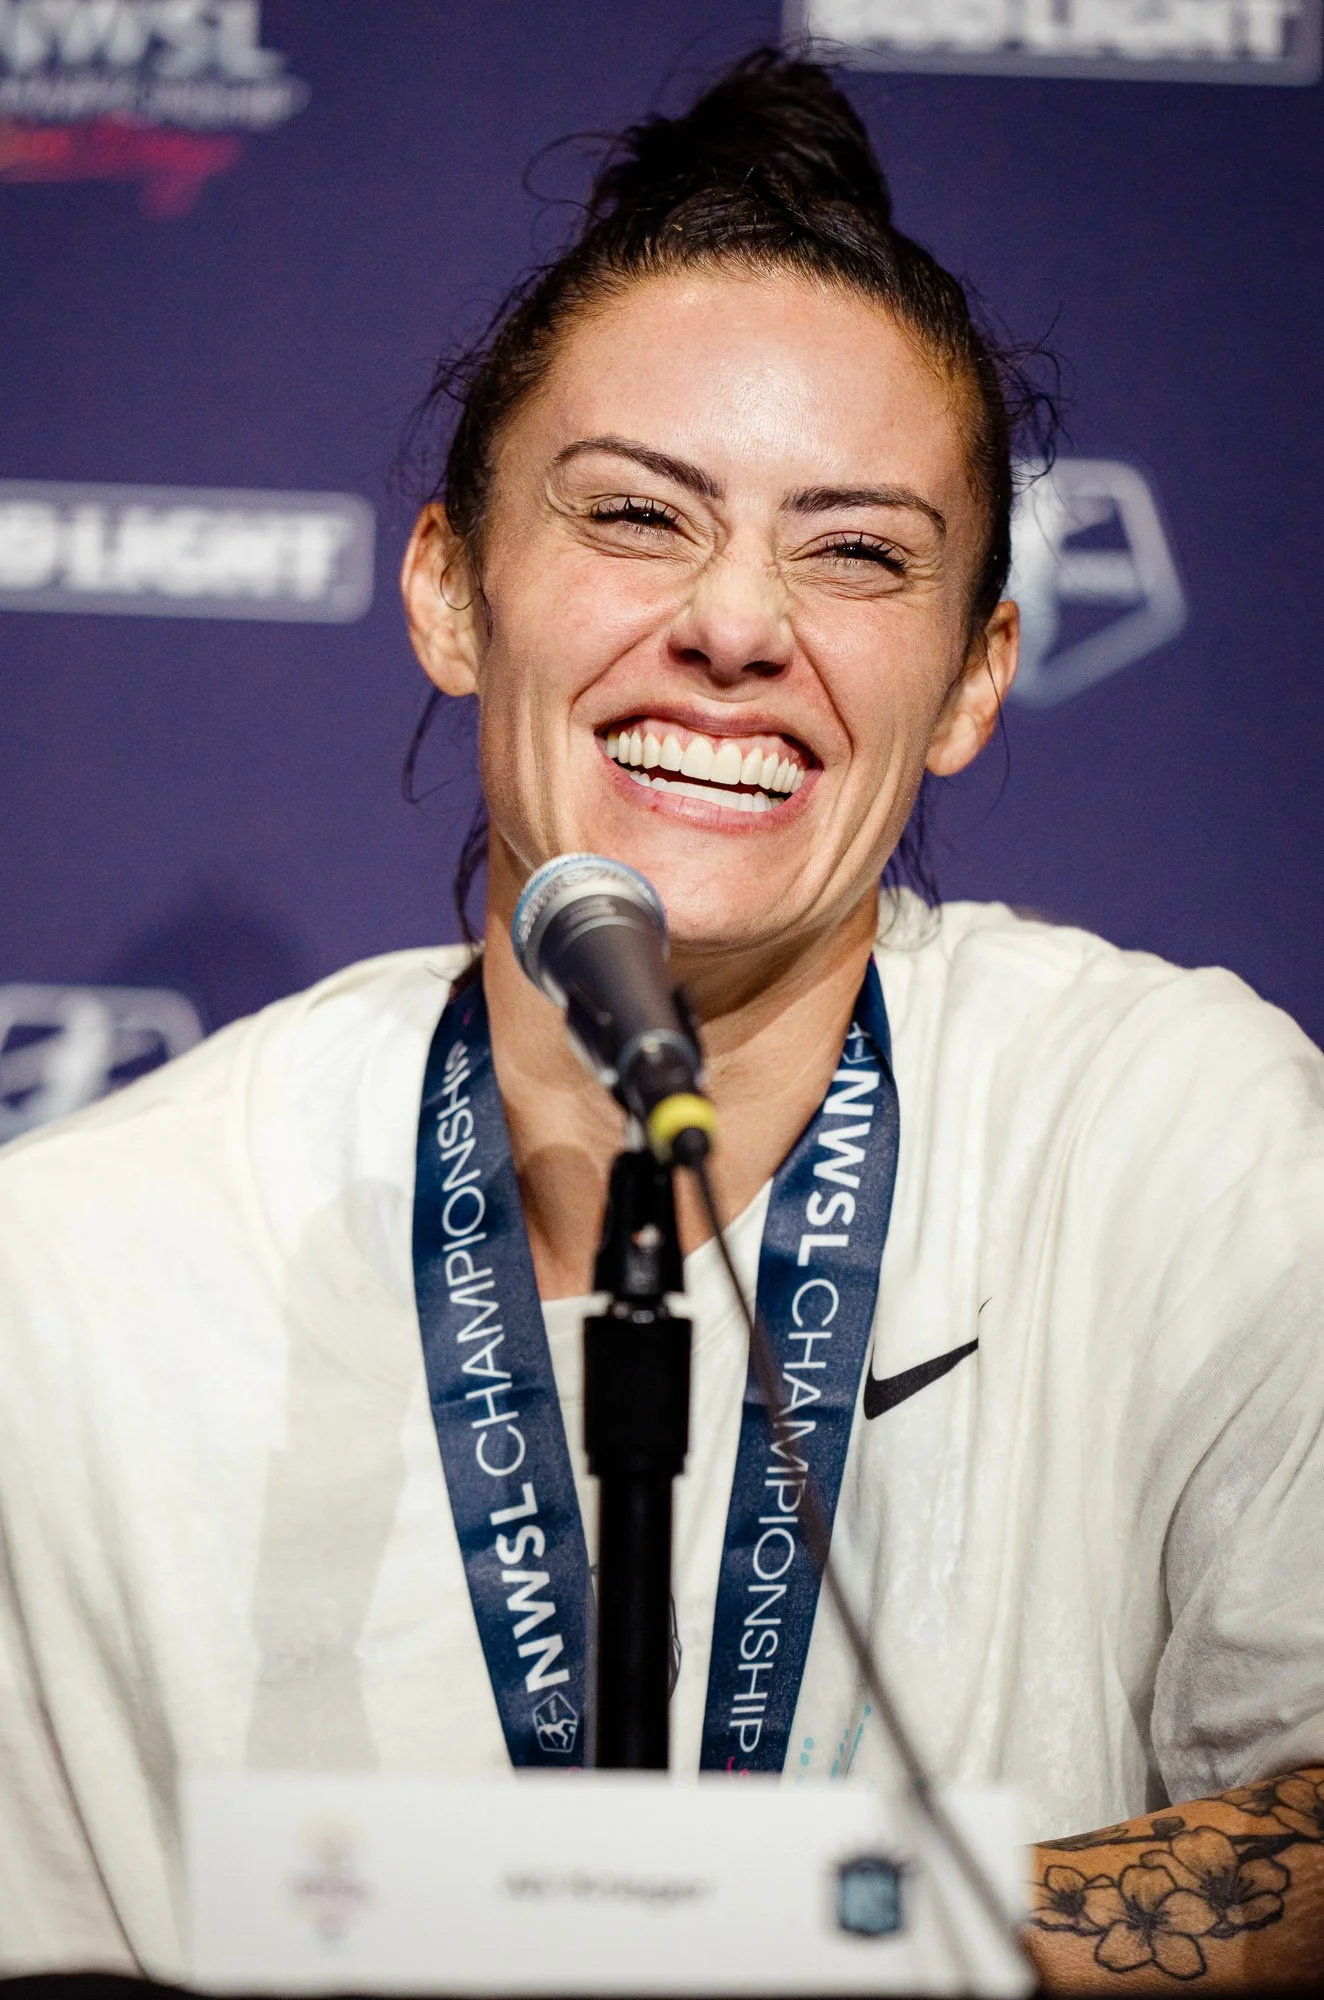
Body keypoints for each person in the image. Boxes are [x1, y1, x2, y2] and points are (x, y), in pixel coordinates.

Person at [1, 48, 1321, 1992]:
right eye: (635, 515)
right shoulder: (76, 1270)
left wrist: (792, 1934)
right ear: (451, 591)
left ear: (975, 677)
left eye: (855, 549)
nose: (736, 623)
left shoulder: (1176, 1138)